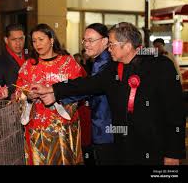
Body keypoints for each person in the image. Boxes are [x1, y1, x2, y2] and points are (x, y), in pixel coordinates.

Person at [31, 22, 186, 165]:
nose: (109, 49)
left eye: (111, 45)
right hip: (123, 148)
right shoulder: (113, 69)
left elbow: (175, 112)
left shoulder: (160, 66)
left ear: (127, 46)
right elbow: (86, 84)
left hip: (155, 148)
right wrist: (52, 89)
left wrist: (173, 153)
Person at [15, 23, 84, 165]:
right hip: (36, 128)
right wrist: (27, 97)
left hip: (63, 128)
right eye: (34, 41)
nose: (37, 44)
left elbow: (80, 90)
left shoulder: (68, 63)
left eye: (41, 39)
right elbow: (18, 91)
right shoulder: (28, 66)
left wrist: (56, 99)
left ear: (51, 39)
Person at [62, 23, 114, 165]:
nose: (86, 44)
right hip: (102, 128)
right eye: (84, 40)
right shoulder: (99, 61)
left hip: (107, 129)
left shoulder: (105, 63)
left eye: (91, 40)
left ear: (104, 41)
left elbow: (89, 88)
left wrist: (57, 94)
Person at [0, 24, 28, 99]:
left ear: (24, 38)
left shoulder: (31, 58)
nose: (18, 43)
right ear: (6, 40)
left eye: (21, 39)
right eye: (14, 39)